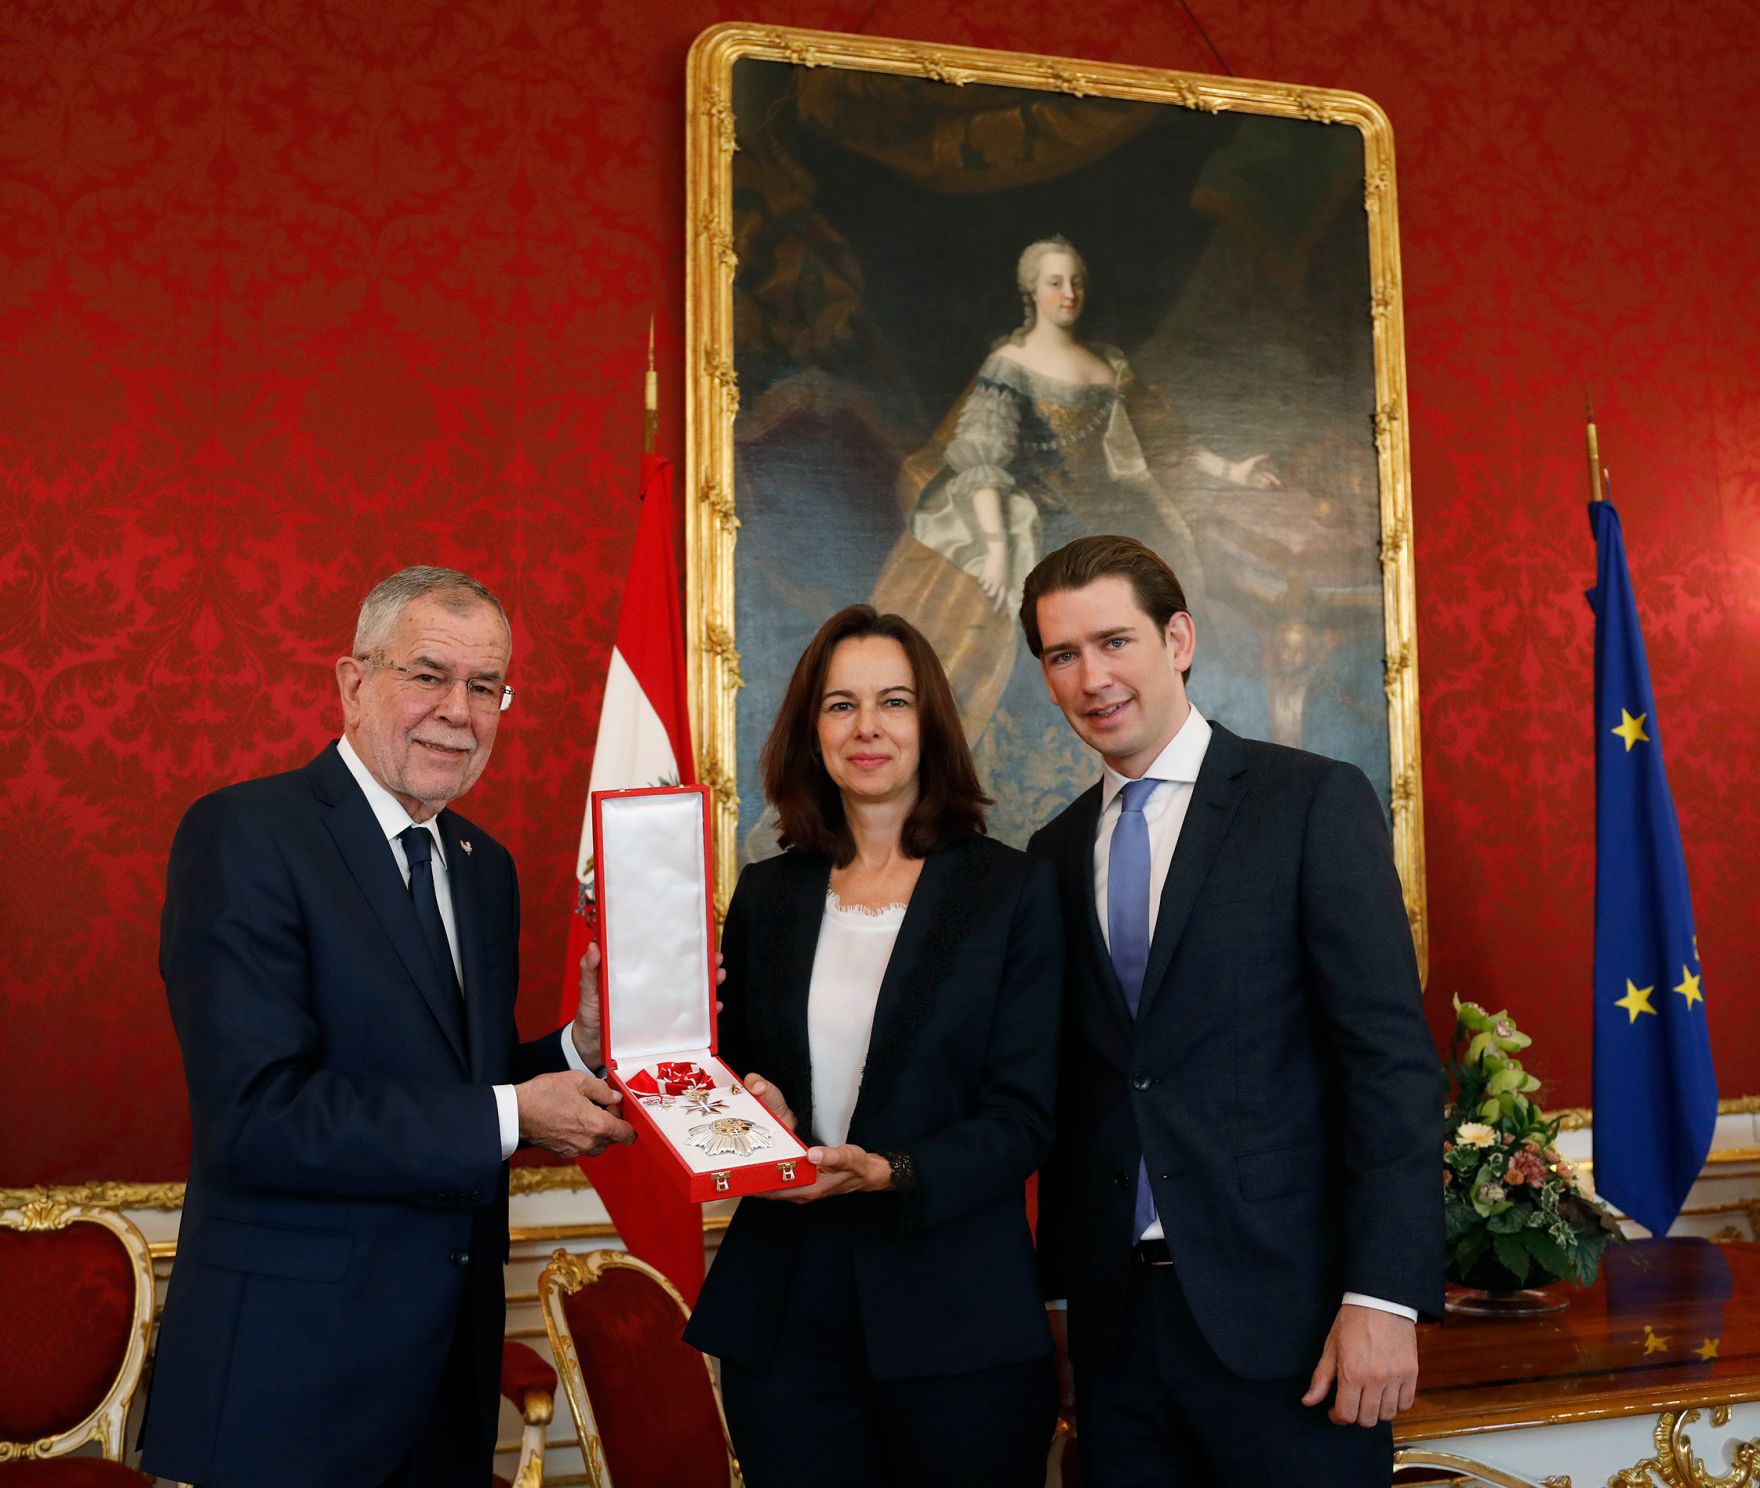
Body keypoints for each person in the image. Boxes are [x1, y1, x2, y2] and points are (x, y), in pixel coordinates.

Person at [139, 566, 635, 1488]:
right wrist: (518, 1115)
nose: (459, 710)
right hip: (289, 1391)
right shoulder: (246, 835)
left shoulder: (485, 868)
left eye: (485, 687)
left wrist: (577, 1051)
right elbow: (259, 1116)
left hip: (446, 1388)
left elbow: (460, 1089)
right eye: (429, 675)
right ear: (353, 682)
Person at [1021, 536, 1440, 1485]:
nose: (1093, 677)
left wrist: (1385, 1295)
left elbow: (1390, 1063)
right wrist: (1056, 1302)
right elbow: (1078, 1099)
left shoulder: (1309, 803)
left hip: (1295, 1328)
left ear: (1179, 639)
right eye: (1062, 655)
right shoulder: (1048, 854)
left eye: (1115, 641)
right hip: (1116, 1341)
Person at [684, 604, 1063, 1488]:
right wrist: (755, 1111)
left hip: (958, 1317)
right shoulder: (767, 895)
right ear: (810, 730)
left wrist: (888, 1169)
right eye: (840, 704)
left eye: (893, 701)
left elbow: (1024, 1118)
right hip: (786, 1317)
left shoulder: (1012, 891)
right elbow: (732, 1080)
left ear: (929, 721)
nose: (867, 728)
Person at [873, 235, 1275, 747]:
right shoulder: (1010, 364)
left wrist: (1234, 471)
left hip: (1115, 522)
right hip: (1038, 526)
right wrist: (996, 549)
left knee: (1152, 618)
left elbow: (1163, 442)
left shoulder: (1108, 363)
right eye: (1055, 282)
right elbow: (983, 458)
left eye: (1076, 282)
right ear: (1032, 292)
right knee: (1037, 638)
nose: (1068, 293)